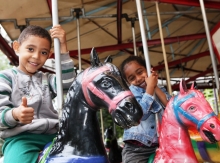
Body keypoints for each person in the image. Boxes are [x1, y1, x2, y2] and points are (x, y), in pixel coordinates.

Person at [0, 25, 75, 163]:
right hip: (21, 138)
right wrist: (15, 115)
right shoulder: (6, 78)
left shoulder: (48, 79)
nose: (36, 56)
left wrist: (63, 47)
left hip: (54, 135)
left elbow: (68, 84)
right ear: (16, 47)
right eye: (30, 49)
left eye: (44, 52)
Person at [120, 55, 172, 163]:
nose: (138, 79)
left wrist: (154, 86)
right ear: (128, 82)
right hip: (137, 150)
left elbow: (170, 107)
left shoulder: (159, 90)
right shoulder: (130, 95)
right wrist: (149, 89)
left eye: (140, 72)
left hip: (161, 145)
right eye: (132, 78)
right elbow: (140, 114)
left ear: (149, 70)